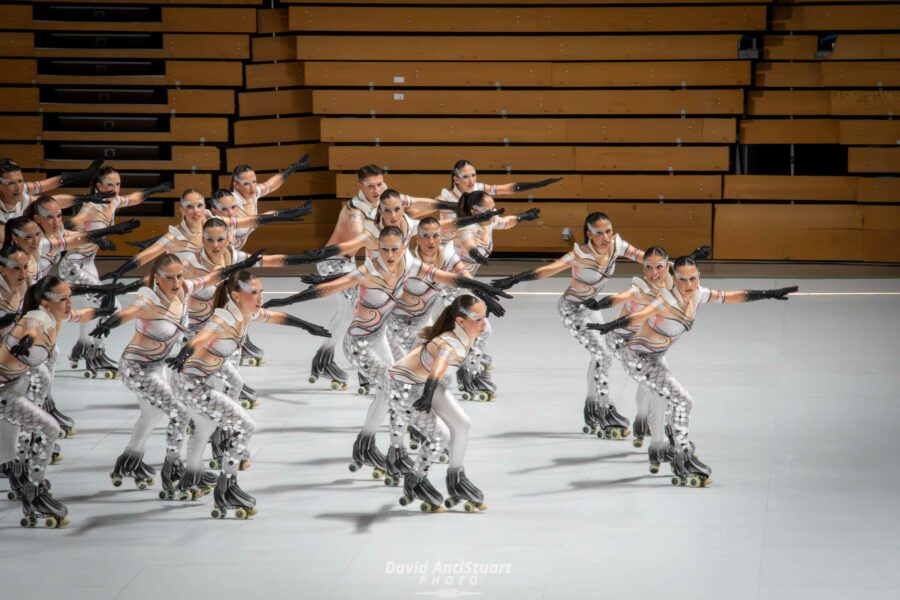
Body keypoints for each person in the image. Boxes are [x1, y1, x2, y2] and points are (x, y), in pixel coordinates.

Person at [262, 226, 508, 483]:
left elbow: (447, 278)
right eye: (385, 249)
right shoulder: (368, 271)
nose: (390, 255)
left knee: (394, 390)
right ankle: (389, 448)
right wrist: (285, 302)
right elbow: (331, 288)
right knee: (393, 390)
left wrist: (484, 291)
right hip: (360, 344)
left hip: (381, 338)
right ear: (377, 249)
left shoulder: (409, 264)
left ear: (403, 247)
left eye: (394, 249)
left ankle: (374, 445)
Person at [587, 256, 797, 486]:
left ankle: (662, 448)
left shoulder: (698, 294)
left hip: (656, 357)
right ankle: (681, 457)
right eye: (682, 279)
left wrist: (768, 294)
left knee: (669, 400)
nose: (688, 284)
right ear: (674, 279)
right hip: (639, 358)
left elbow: (731, 296)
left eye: (693, 278)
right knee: (683, 401)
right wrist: (609, 326)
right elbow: (638, 316)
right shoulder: (665, 301)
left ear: (699, 277)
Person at [167, 271, 329, 518]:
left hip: (202, 377)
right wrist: (184, 353)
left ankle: (191, 477)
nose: (259, 296)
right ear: (235, 295)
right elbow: (202, 336)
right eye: (253, 292)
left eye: (260, 291)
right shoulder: (223, 319)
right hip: (190, 382)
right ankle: (226, 487)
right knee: (246, 425)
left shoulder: (247, 313)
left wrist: (307, 326)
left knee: (205, 428)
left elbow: (275, 317)